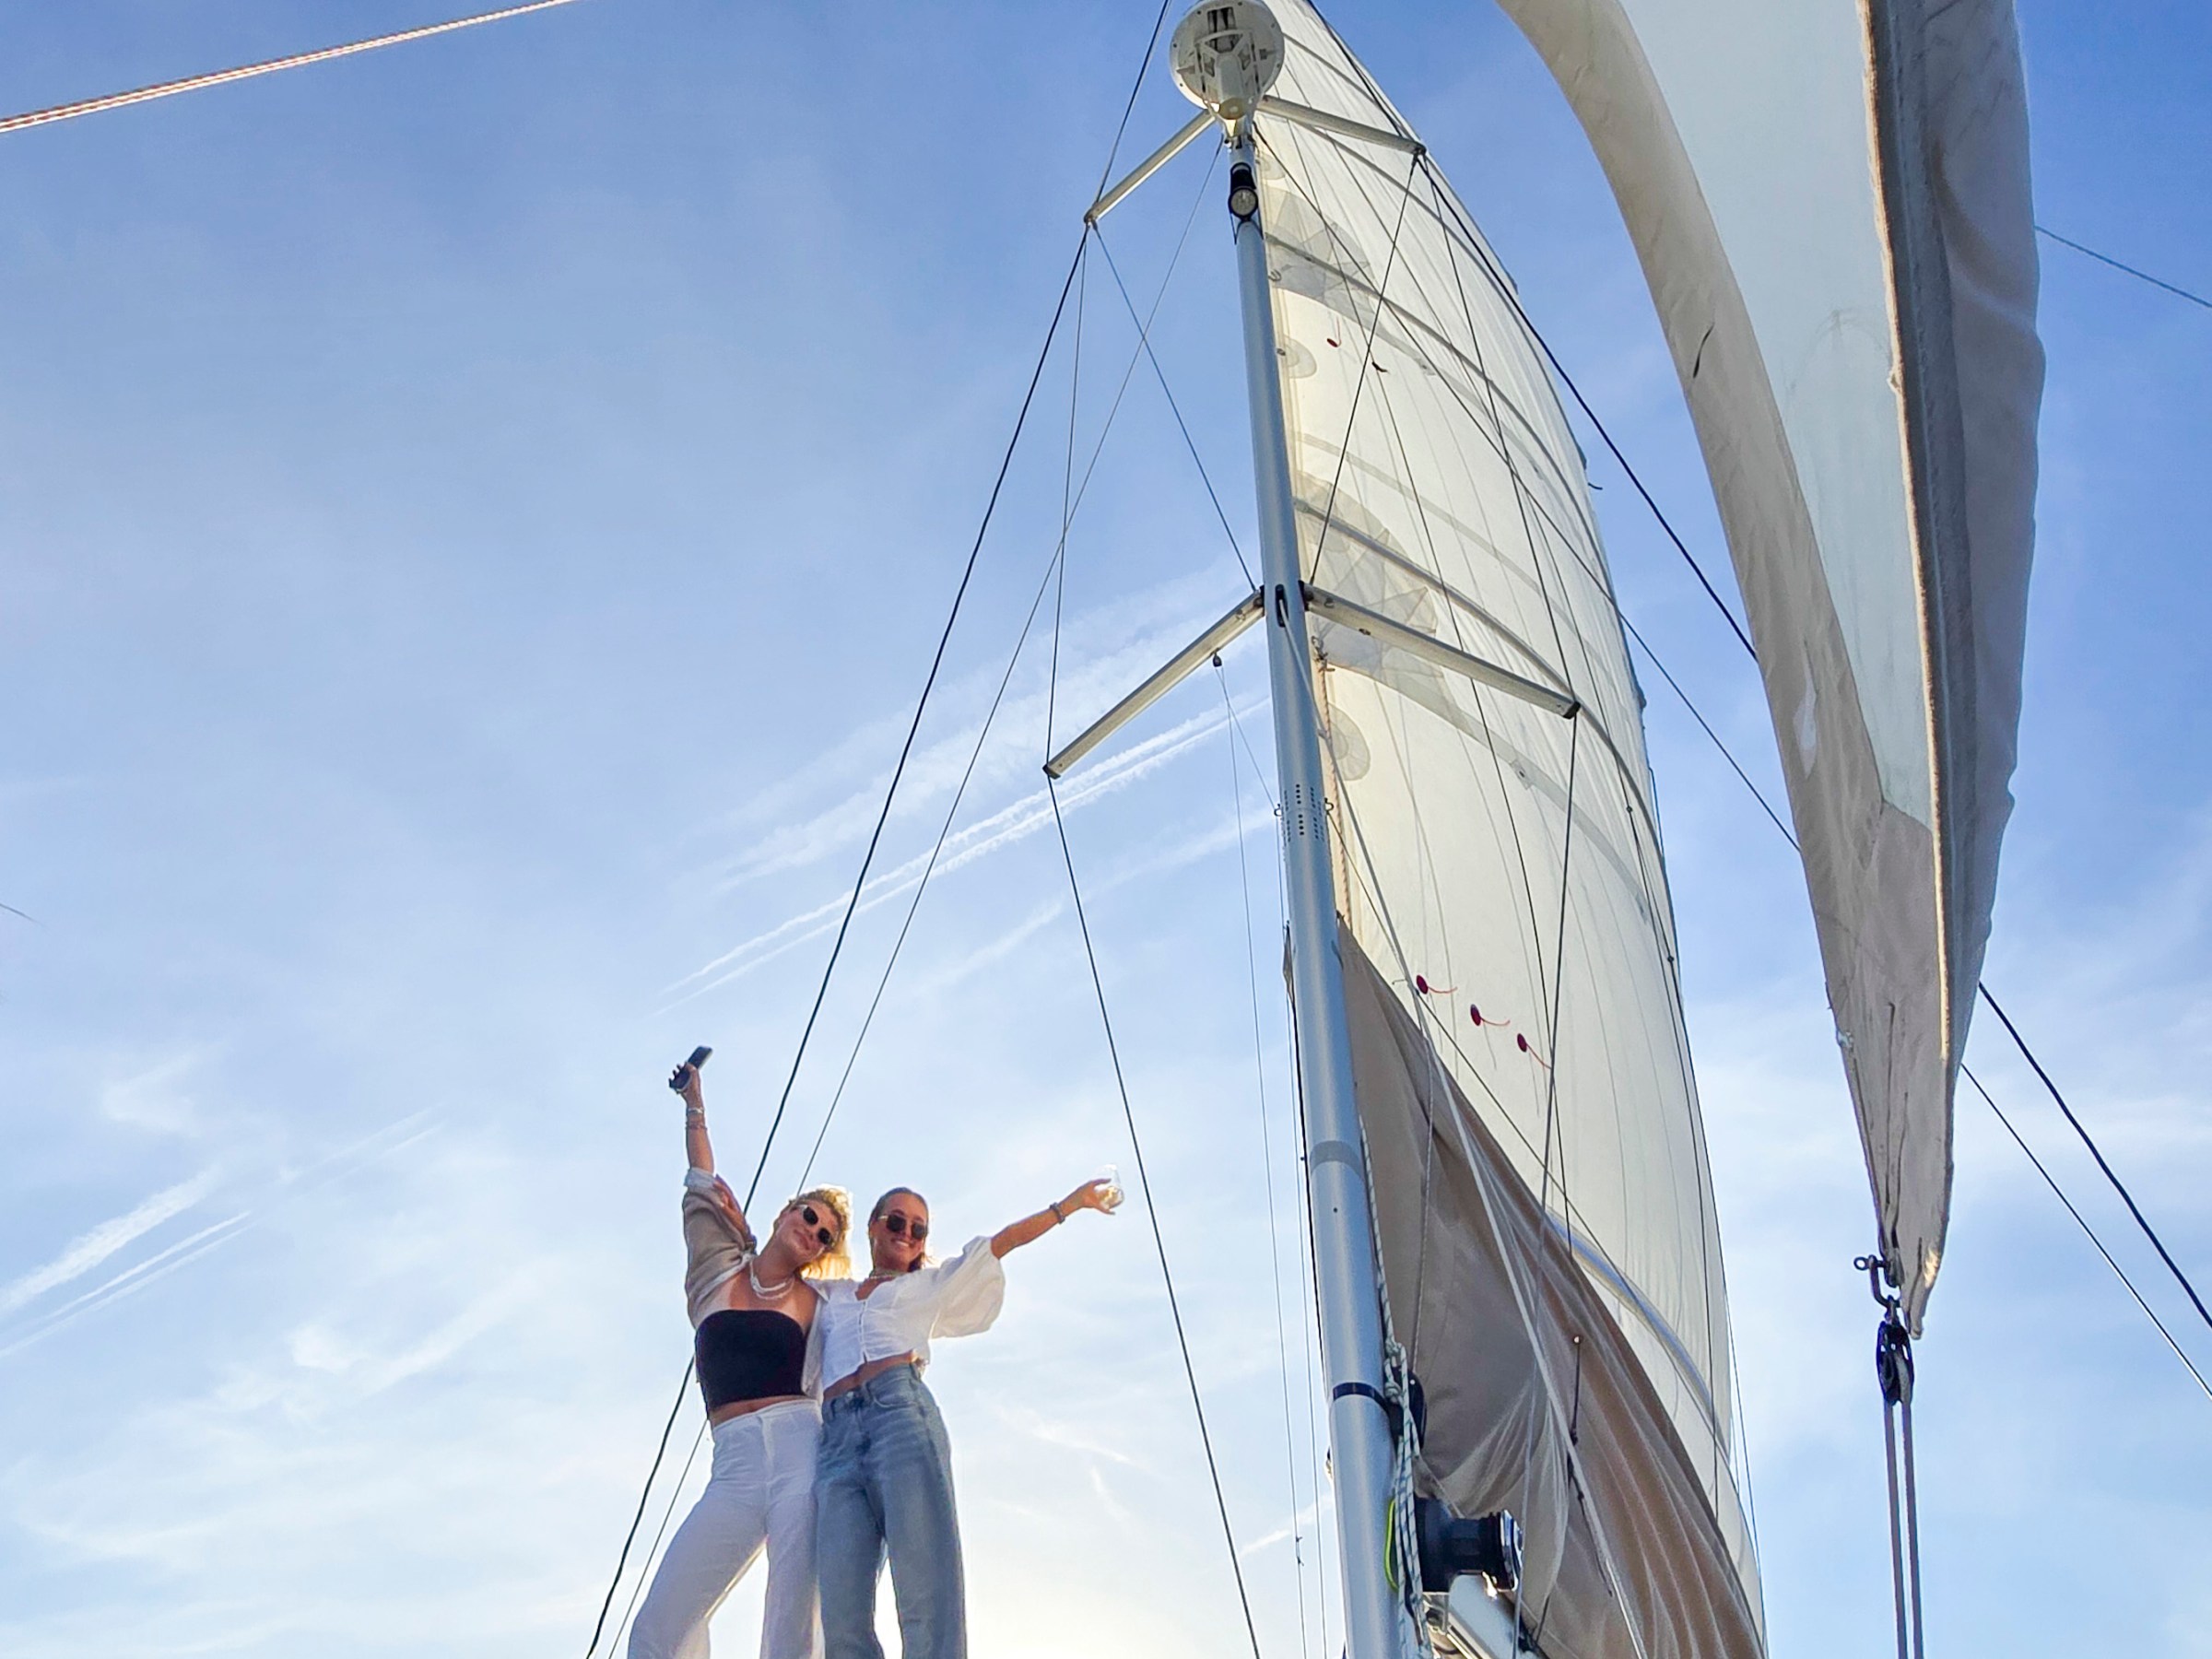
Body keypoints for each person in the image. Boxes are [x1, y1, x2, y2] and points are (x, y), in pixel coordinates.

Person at [813, 1177, 1118, 1659]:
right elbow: (770, 1271)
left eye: (919, 1228)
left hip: (900, 1420)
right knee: (839, 1616)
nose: (907, 1233)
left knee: (927, 1598)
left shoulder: (927, 1284)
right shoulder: (831, 1295)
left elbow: (1002, 1243)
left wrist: (1070, 1206)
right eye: (897, 1221)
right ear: (873, 1227)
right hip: (835, 1443)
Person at [629, 1055, 853, 1659]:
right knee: (657, 1628)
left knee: (791, 1625)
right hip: (733, 1465)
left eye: (826, 1234)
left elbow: (893, 1305)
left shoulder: (820, 1301)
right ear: (786, 1212)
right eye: (809, 1215)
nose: (813, 1229)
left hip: (800, 1452)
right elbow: (702, 1177)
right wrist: (694, 1101)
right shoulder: (716, 1273)